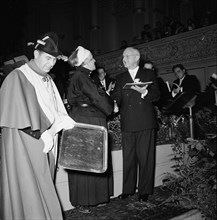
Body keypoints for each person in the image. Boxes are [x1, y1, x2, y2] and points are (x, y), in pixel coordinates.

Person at [0, 32, 75, 220]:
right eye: (47, 58)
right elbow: (14, 119)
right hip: (27, 148)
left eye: (54, 60)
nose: (51, 63)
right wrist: (42, 134)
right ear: (35, 54)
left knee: (45, 186)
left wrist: (61, 122)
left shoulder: (49, 79)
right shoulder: (17, 77)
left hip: (47, 145)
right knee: (30, 194)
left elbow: (53, 109)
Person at [67, 46, 114, 210]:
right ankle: (85, 199)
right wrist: (111, 107)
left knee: (87, 160)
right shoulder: (82, 76)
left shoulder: (81, 76)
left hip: (85, 117)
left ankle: (90, 198)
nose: (95, 61)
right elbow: (97, 96)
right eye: (92, 59)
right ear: (85, 61)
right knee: (87, 160)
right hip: (88, 119)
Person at [111, 47, 160, 202]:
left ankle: (144, 190)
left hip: (145, 121)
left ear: (136, 57)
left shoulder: (149, 74)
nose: (124, 59)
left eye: (127, 56)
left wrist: (144, 92)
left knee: (145, 158)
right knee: (129, 158)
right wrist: (111, 104)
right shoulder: (120, 77)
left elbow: (157, 95)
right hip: (127, 121)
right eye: (123, 56)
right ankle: (128, 189)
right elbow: (116, 97)